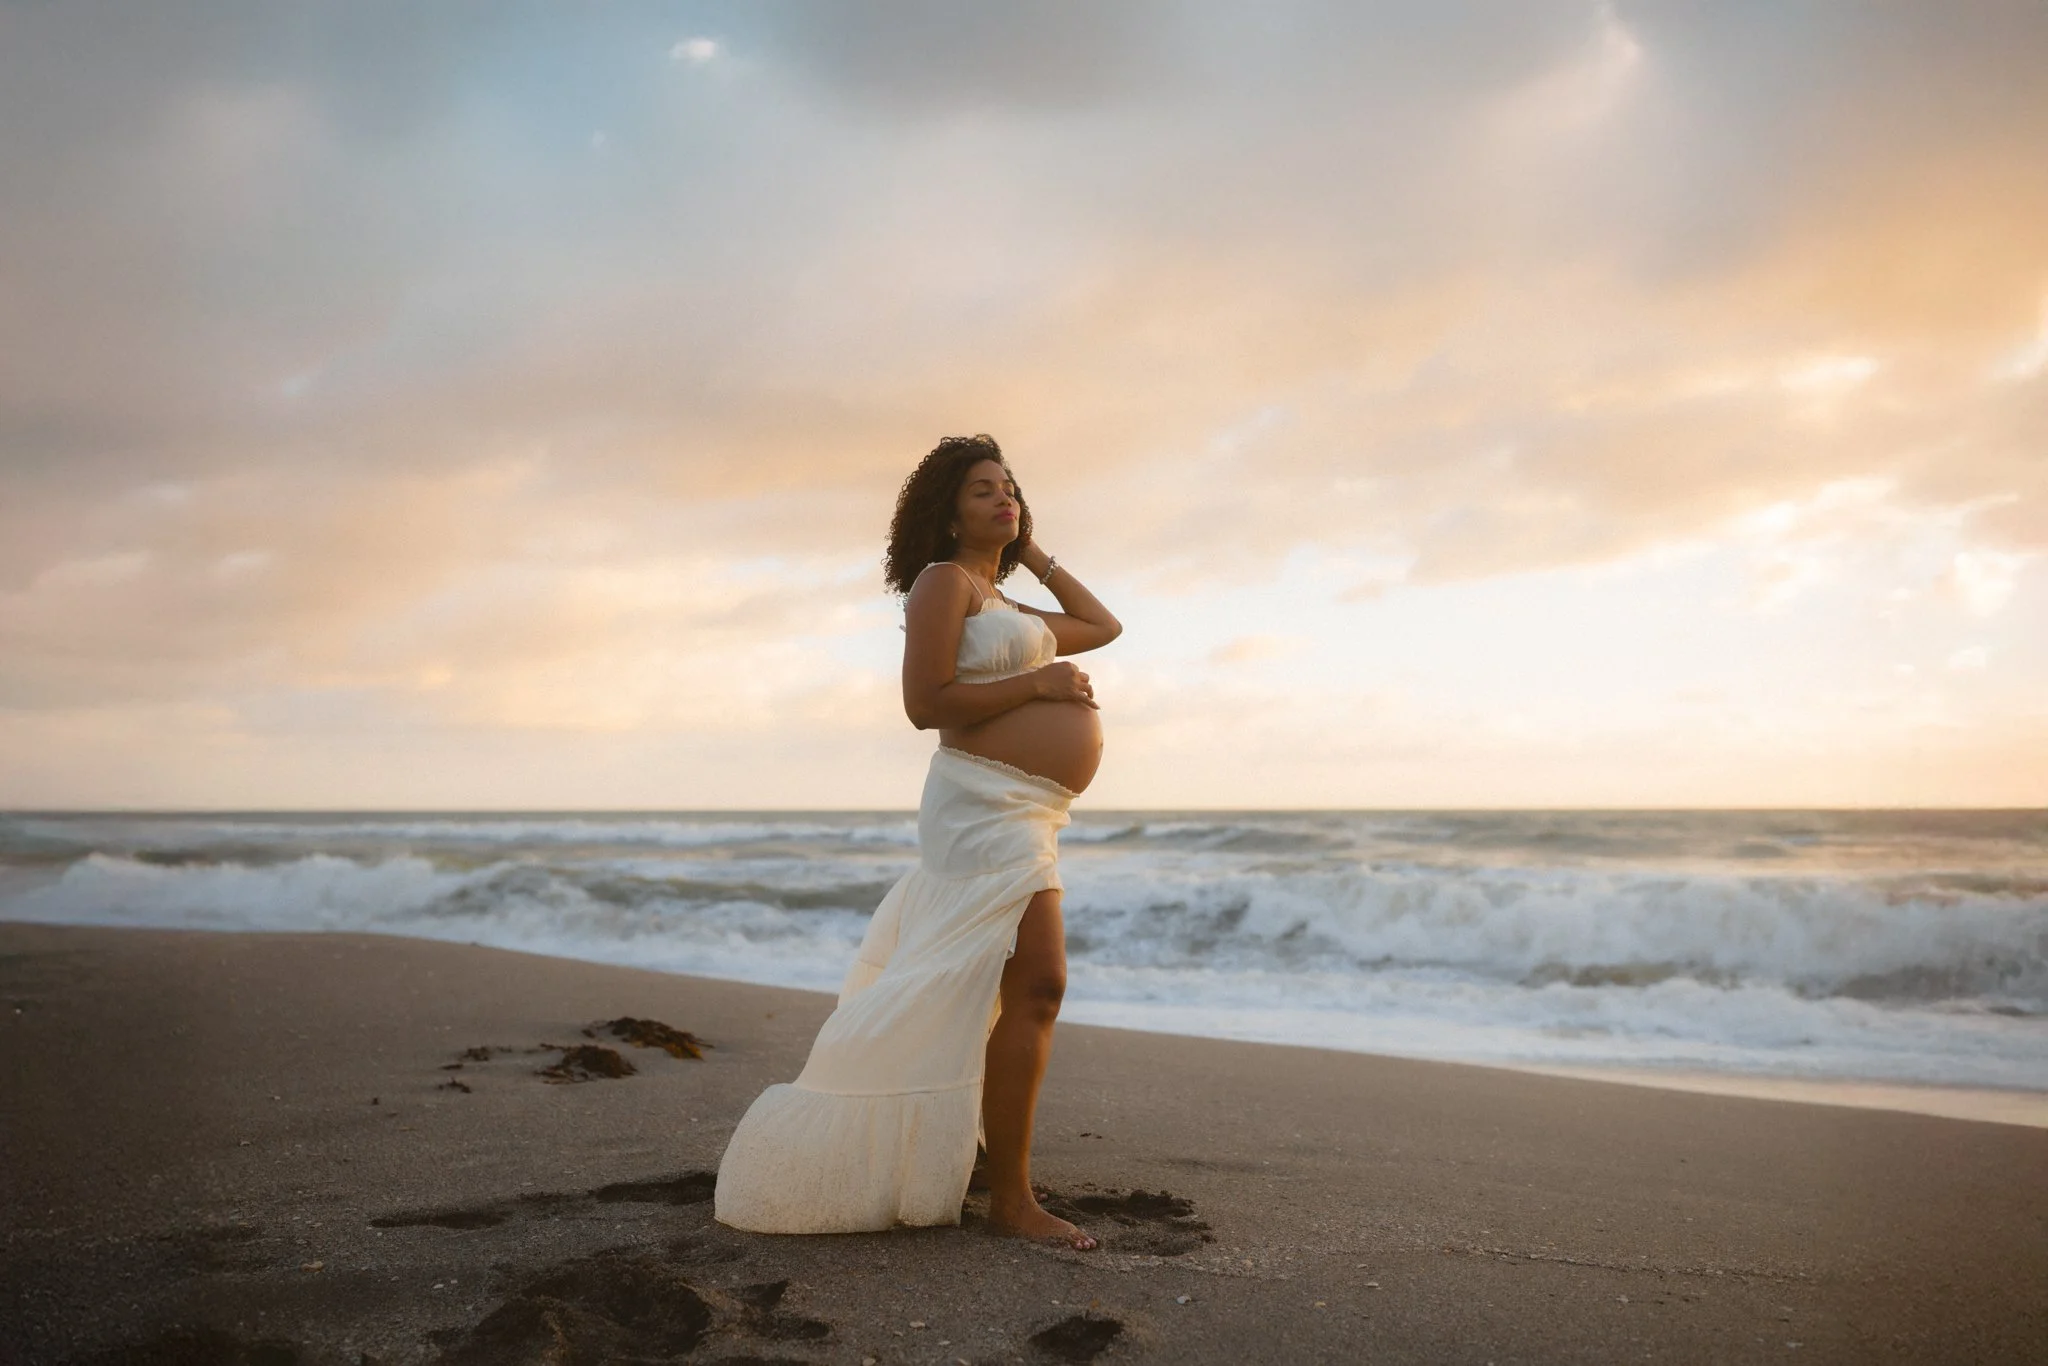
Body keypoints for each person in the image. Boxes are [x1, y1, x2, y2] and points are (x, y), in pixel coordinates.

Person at [714, 433, 1122, 1250]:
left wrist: (1031, 549)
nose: (1003, 497)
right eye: (982, 490)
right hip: (979, 808)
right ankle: (1012, 1200)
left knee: (1025, 987)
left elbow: (1101, 624)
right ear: (946, 512)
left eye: (1009, 487)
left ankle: (999, 1181)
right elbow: (925, 702)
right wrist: (1040, 684)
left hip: (1029, 812)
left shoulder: (1003, 601)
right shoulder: (943, 585)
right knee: (1040, 983)